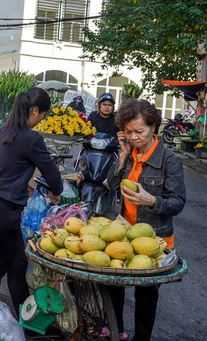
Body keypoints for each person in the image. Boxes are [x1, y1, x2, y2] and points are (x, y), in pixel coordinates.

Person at [0, 87, 62, 318]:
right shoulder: (31, 138)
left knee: (16, 266)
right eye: (42, 115)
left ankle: (27, 319)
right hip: (3, 212)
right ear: (34, 110)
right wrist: (57, 191)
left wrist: (13, 180)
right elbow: (52, 174)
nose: (41, 120)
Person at [107, 100, 185, 341]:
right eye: (128, 132)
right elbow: (110, 185)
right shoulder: (129, 153)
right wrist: (122, 156)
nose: (134, 137)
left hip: (154, 240)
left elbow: (178, 201)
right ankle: (117, 330)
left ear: (153, 127)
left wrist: (151, 201)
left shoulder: (170, 160)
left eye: (139, 131)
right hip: (122, 235)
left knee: (146, 297)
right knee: (113, 286)